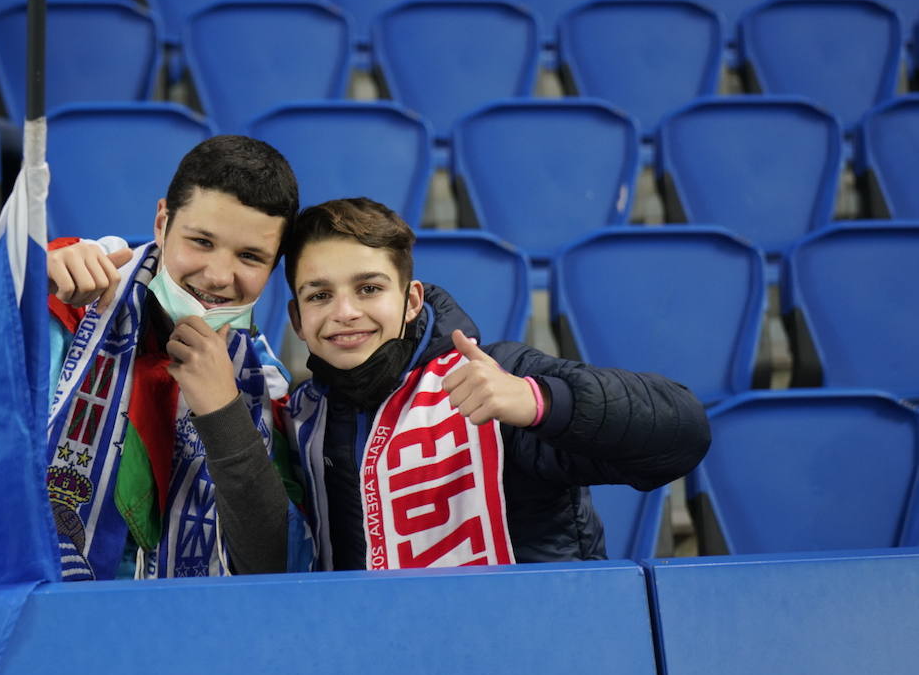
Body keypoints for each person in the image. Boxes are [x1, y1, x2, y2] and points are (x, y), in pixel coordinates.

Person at [0, 135, 303, 580]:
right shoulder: (64, 291)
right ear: (162, 222)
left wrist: (223, 414)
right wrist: (16, 268)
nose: (219, 275)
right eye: (201, 241)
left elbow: (270, 562)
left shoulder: (260, 380)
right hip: (17, 601)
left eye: (250, 256)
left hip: (173, 631)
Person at [212, 198, 712, 571]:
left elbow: (683, 434)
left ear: (411, 301)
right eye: (320, 295)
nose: (345, 313)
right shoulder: (302, 419)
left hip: (547, 657)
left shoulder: (498, 377)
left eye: (368, 288)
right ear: (297, 320)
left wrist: (540, 403)